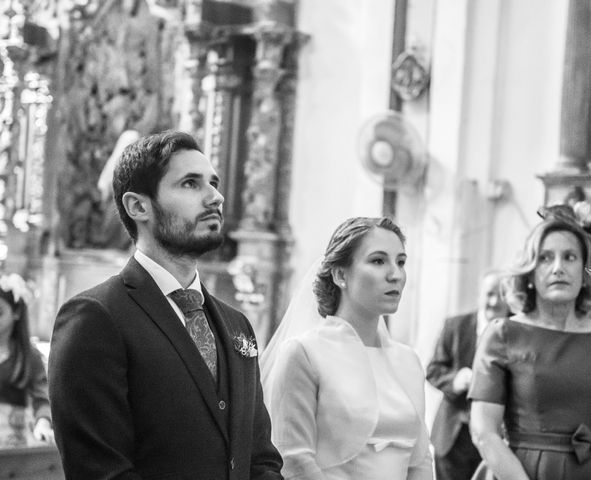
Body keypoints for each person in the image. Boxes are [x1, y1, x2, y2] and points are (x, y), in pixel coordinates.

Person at [48, 131, 283, 479]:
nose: (215, 197)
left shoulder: (237, 325)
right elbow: (101, 470)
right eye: (190, 183)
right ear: (138, 206)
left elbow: (260, 459)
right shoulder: (95, 317)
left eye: (213, 183)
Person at [261, 217, 434, 480]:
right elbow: (294, 459)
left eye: (400, 262)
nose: (395, 274)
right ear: (341, 274)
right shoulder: (305, 353)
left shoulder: (408, 360)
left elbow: (420, 461)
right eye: (378, 261)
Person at [469, 216, 591, 480]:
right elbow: (483, 431)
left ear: (585, 273)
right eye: (546, 258)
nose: (558, 268)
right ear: (531, 273)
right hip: (516, 473)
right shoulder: (503, 333)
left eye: (570, 257)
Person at [426, 270, 509, 480]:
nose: (494, 301)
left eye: (501, 294)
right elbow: (433, 370)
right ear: (479, 295)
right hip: (454, 438)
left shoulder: (518, 331)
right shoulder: (455, 325)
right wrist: (456, 380)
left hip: (498, 438)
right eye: (489, 293)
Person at [0, 273, 54, 447]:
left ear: (16, 313)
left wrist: (43, 423)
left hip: (13, 441)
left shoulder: (29, 355)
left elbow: (42, 397)